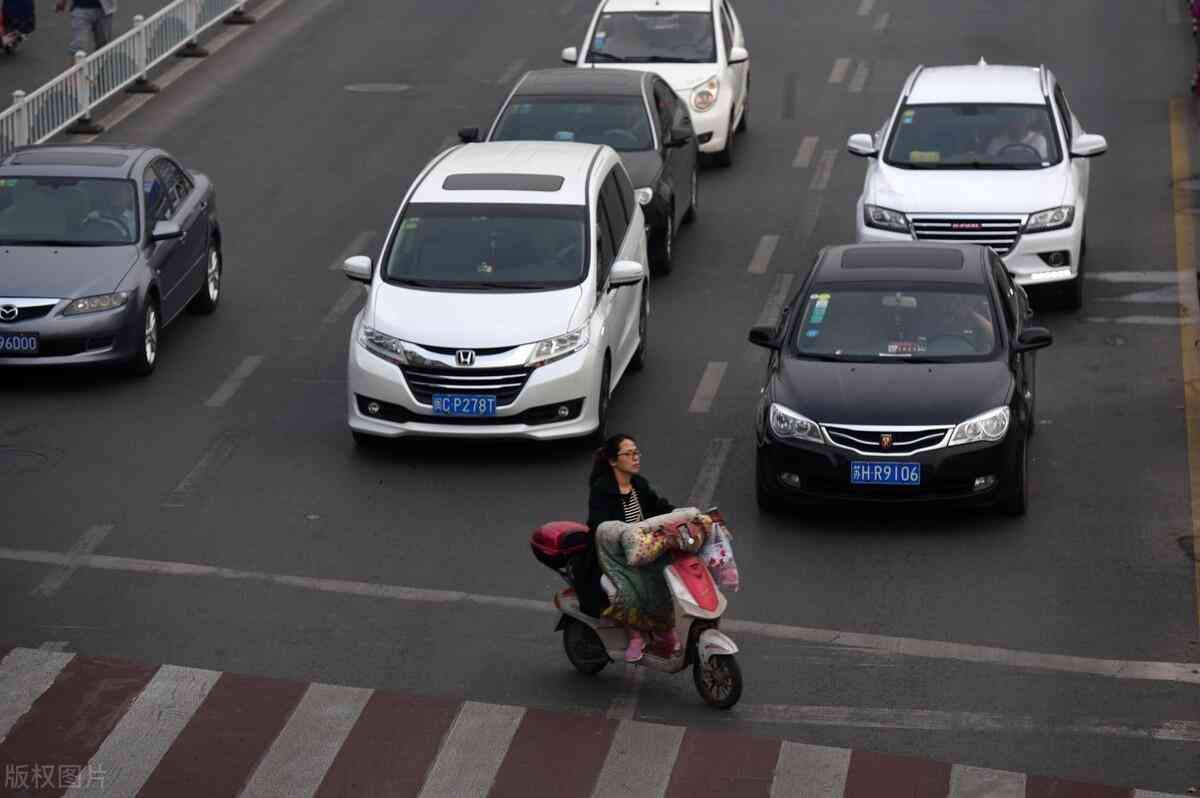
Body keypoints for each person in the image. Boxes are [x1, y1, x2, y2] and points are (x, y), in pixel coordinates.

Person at [586, 434, 708, 662]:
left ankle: (663, 628)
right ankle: (634, 634)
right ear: (613, 461)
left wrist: (680, 518)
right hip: (613, 556)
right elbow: (599, 526)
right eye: (629, 454)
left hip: (645, 549)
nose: (635, 458)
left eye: (636, 453)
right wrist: (624, 536)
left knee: (667, 580)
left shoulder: (639, 484)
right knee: (624, 591)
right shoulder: (602, 490)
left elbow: (659, 508)